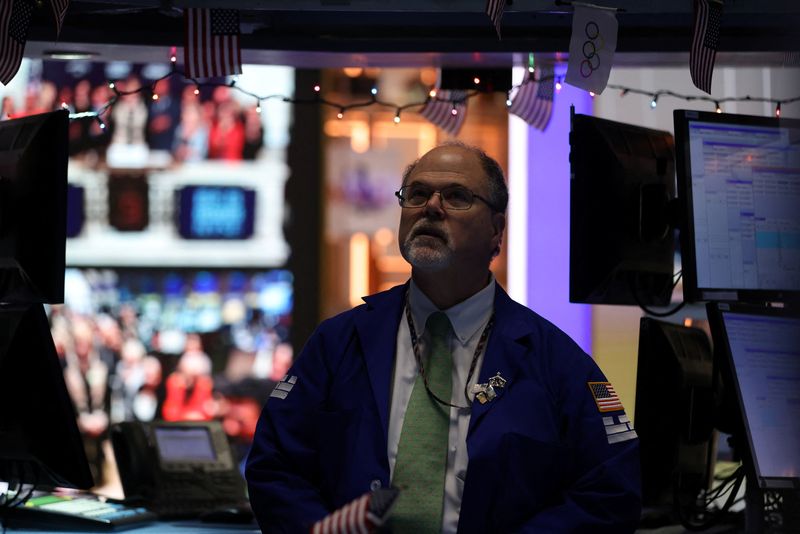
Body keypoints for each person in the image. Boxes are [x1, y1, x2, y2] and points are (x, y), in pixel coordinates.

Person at [245, 142, 641, 533]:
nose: (431, 207)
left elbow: (609, 494)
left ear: (496, 230)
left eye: (456, 197)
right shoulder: (338, 342)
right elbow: (275, 467)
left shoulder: (554, 359)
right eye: (417, 194)